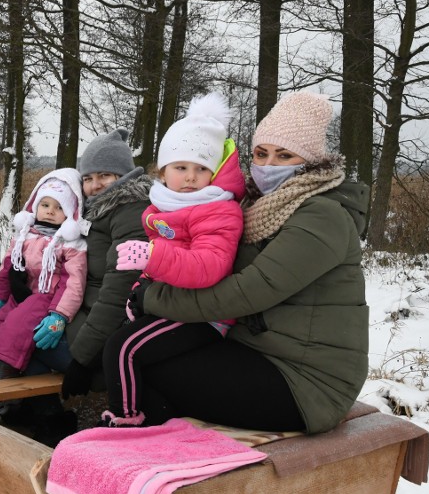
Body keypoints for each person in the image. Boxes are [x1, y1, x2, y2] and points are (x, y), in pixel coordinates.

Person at [129, 90, 369, 434]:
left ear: (312, 162)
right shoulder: (255, 206)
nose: (268, 165)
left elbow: (249, 291)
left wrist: (153, 299)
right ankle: (157, 454)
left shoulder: (323, 215)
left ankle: (159, 461)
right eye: (261, 153)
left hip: (306, 381)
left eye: (284, 155)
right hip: (254, 350)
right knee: (143, 354)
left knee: (147, 367)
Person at [100, 92, 245, 427]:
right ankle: (152, 420)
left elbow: (209, 265)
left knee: (123, 349)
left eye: (201, 169)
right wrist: (140, 289)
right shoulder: (165, 208)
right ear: (164, 171)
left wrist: (151, 257)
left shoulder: (218, 210)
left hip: (205, 314)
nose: (191, 177)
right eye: (181, 167)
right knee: (132, 350)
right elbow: (165, 263)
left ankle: (123, 421)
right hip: (176, 303)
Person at [60, 128, 153, 400]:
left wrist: (82, 358)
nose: (95, 184)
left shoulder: (132, 210)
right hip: (85, 311)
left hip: (110, 325)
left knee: (33, 347)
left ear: (123, 175)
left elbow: (119, 289)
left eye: (104, 175)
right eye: (88, 178)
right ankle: (49, 416)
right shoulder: (98, 211)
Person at [0, 168, 88, 384]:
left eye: (59, 207)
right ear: (35, 207)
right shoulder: (24, 236)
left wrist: (59, 315)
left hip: (46, 297)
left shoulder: (70, 244)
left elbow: (73, 282)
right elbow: (8, 266)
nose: (50, 211)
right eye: (45, 205)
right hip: (20, 295)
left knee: (14, 328)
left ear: (70, 213)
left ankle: (5, 389)